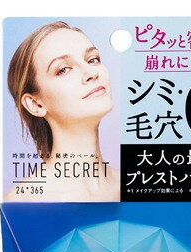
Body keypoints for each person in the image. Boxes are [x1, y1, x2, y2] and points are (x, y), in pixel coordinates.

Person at [6, 21, 120, 202]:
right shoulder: (24, 202)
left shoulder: (136, 188)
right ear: (35, 104)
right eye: (63, 70)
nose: (91, 73)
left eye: (92, 59)